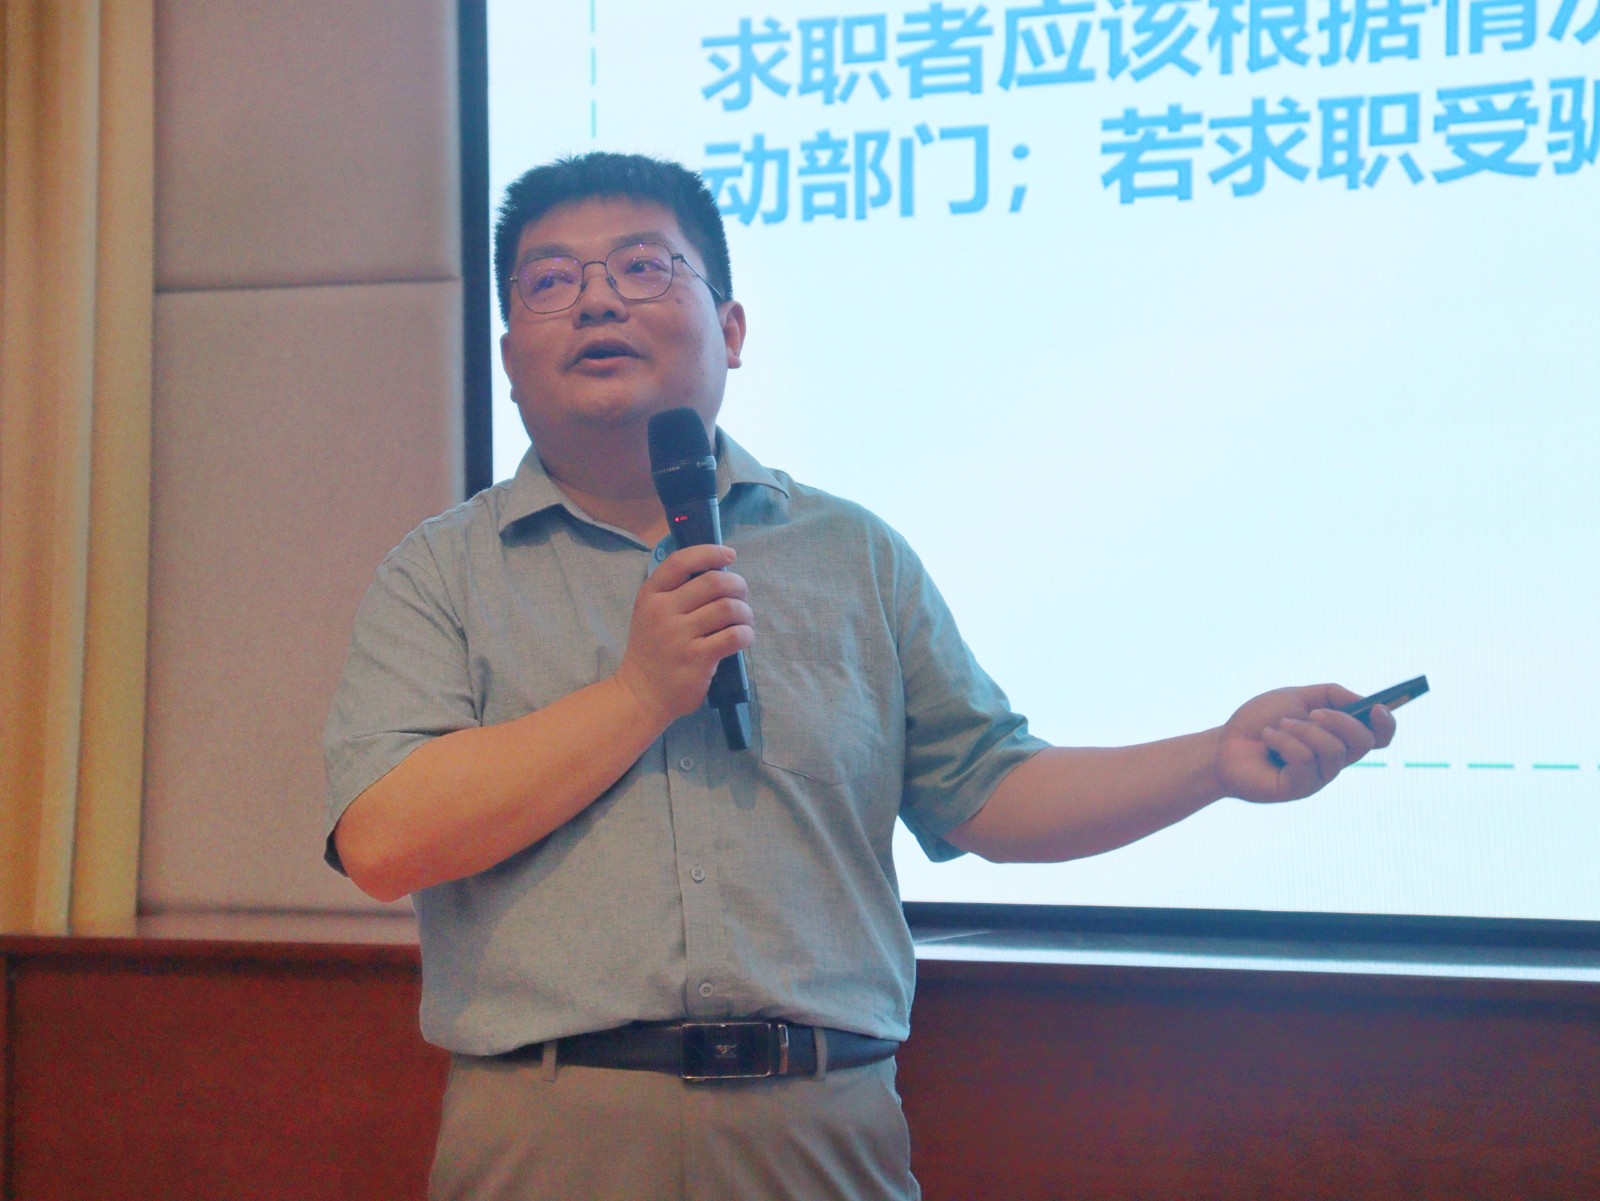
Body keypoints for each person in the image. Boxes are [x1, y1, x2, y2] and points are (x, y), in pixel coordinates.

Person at [323, 151, 1396, 1201]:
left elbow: (987, 789)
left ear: (731, 330)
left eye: (643, 267)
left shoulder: (851, 554)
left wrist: (1213, 761)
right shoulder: (442, 571)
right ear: (511, 357)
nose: (598, 300)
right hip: (550, 1130)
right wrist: (638, 696)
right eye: (552, 281)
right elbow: (384, 839)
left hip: (821, 1121)